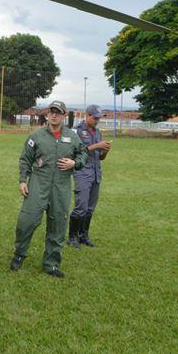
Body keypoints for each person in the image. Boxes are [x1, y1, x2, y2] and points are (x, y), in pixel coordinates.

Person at [10, 100, 86, 278]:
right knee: (26, 221)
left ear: (64, 115)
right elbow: (25, 159)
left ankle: (51, 263)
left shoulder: (72, 137)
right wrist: (23, 180)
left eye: (58, 112)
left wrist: (75, 163)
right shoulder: (36, 136)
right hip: (38, 183)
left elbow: (83, 153)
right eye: (51, 111)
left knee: (58, 224)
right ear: (47, 114)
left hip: (61, 186)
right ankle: (19, 255)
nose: (54, 115)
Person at [69, 104, 111, 248]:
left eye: (99, 118)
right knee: (81, 206)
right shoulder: (77, 131)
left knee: (90, 208)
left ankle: (83, 235)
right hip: (82, 172)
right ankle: (72, 237)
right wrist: (97, 146)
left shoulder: (97, 132)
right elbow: (75, 152)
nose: (97, 120)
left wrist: (105, 150)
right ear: (87, 115)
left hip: (95, 173)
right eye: (95, 117)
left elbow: (100, 157)